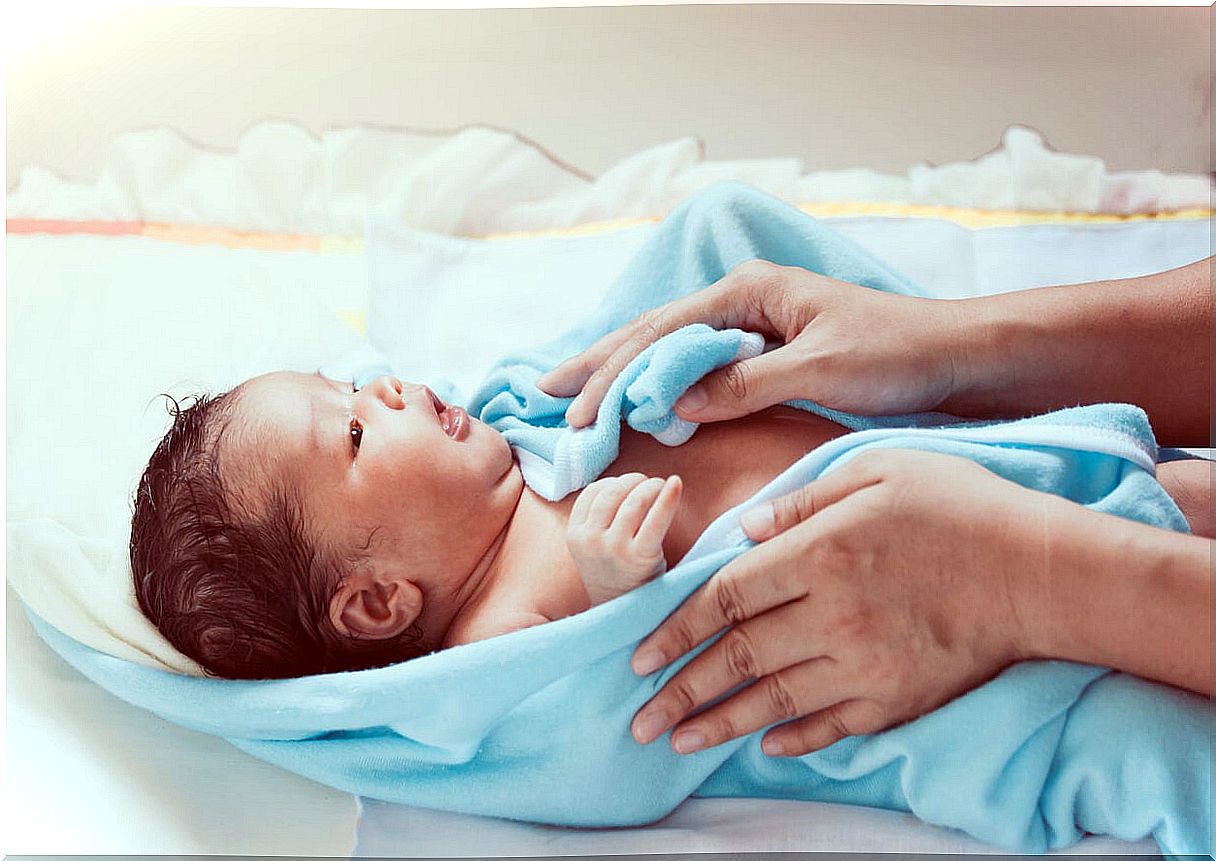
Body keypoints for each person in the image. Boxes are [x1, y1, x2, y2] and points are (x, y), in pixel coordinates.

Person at [536, 255, 1212, 758]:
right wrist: (956, 345)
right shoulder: (492, 636)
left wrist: (1019, 577)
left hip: (932, 507)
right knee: (1164, 501)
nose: (425, 389)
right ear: (419, 602)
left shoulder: (520, 425)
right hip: (886, 551)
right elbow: (584, 724)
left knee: (1164, 496)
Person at [129, 369, 860, 678]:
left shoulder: (510, 435)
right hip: (864, 508)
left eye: (350, 384)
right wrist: (620, 594)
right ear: (380, 601)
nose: (384, 385)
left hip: (844, 403)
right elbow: (606, 714)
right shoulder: (499, 628)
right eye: (353, 431)